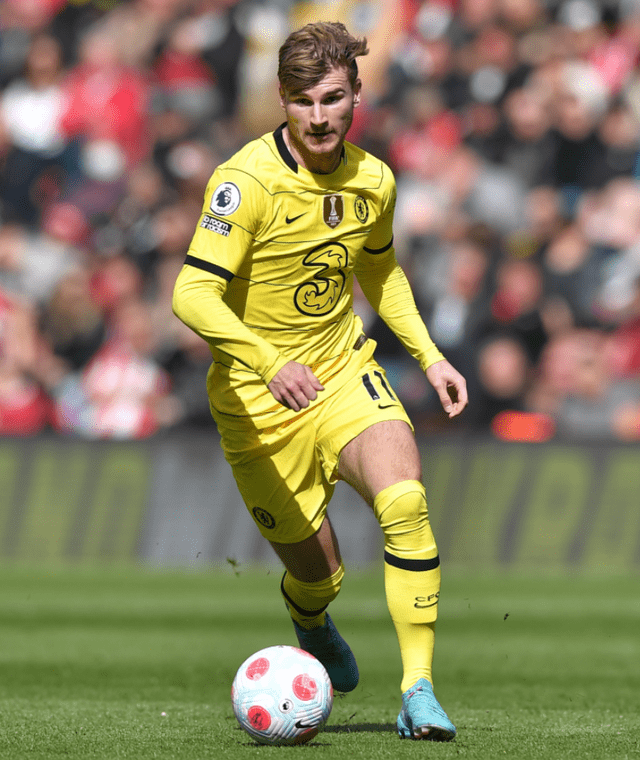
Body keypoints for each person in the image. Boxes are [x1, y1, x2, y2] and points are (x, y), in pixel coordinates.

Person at [172, 21, 467, 741]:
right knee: (320, 576)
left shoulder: (374, 180)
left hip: (342, 375)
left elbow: (380, 269)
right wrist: (270, 362)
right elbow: (191, 295)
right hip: (257, 404)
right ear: (282, 100)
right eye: (303, 101)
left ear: (356, 94)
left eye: (333, 98)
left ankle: (419, 689)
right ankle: (310, 616)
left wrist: (430, 356)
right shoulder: (246, 183)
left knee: (406, 503)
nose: (319, 116)